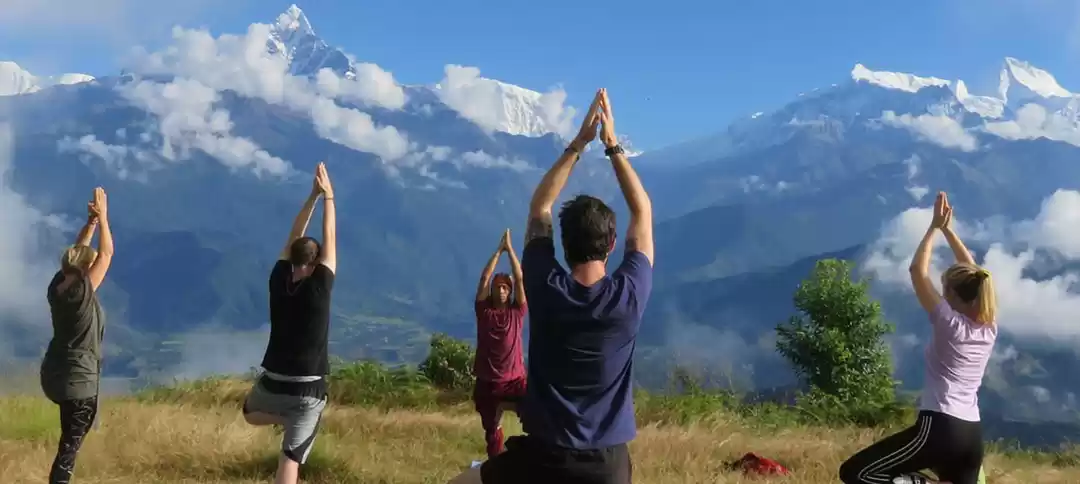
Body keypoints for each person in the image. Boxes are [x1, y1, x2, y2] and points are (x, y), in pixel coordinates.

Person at [449, 87, 654, 484]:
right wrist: (612, 145)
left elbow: (540, 207)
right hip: (608, 466)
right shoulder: (629, 295)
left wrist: (580, 143)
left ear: (562, 242)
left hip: (543, 458)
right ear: (612, 244)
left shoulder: (544, 284)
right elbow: (641, 210)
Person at [838, 191, 997, 484]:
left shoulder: (949, 322)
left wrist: (934, 227)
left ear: (951, 296)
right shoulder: (989, 326)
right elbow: (975, 274)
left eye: (944, 289)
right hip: (971, 435)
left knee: (856, 473)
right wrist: (949, 230)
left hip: (940, 426)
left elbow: (916, 271)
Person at [242, 162, 337, 484]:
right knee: (290, 458)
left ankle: (284, 417)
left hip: (272, 381)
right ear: (316, 261)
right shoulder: (321, 285)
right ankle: (293, 421)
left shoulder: (278, 278)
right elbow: (330, 238)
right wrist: (329, 198)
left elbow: (293, 236)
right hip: (309, 388)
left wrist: (311, 197)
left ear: (293, 258)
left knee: (249, 412)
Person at [41, 187, 115, 484]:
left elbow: (77, 254)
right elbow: (106, 254)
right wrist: (105, 219)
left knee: (68, 438)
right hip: (79, 381)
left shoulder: (57, 286)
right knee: (69, 450)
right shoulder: (81, 294)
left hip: (55, 375)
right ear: (86, 270)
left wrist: (91, 225)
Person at [473, 228, 528, 459]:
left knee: (536, 413)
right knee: (492, 430)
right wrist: (498, 251)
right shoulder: (484, 311)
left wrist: (510, 250)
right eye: (499, 287)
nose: (503, 290)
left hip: (514, 380)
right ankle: (496, 466)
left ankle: (531, 458)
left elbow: (520, 277)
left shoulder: (518, 311)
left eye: (506, 287)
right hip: (488, 382)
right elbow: (485, 278)